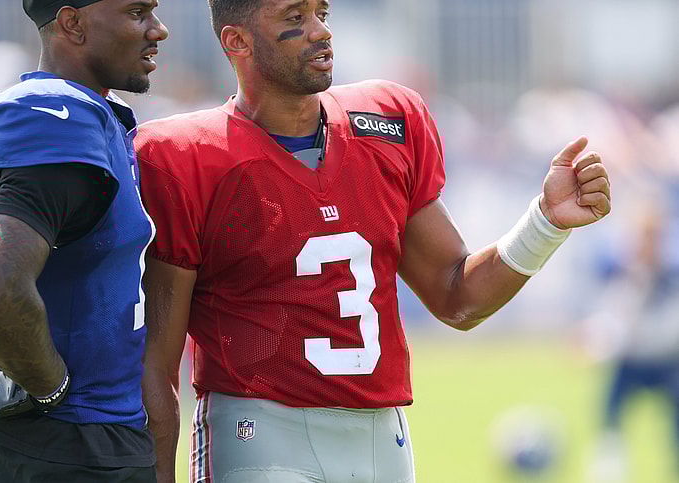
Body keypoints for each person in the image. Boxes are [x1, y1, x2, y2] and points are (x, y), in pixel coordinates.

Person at [135, 1, 612, 482]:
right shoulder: (184, 156)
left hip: (384, 444)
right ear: (237, 41)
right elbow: (157, 365)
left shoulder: (386, 123)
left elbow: (457, 298)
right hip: (259, 434)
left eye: (322, 13)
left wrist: (545, 223)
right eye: (295, 18)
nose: (320, 31)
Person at [0, 1, 168, 481]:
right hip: (73, 440)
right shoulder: (56, 113)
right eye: (136, 12)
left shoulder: (93, 111)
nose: (157, 30)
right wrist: (49, 387)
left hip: (87, 435)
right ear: (72, 23)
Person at [584, 202, 679, 483]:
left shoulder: (671, 273)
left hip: (667, 360)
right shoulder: (622, 271)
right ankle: (609, 469)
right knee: (610, 411)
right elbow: (612, 313)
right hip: (631, 359)